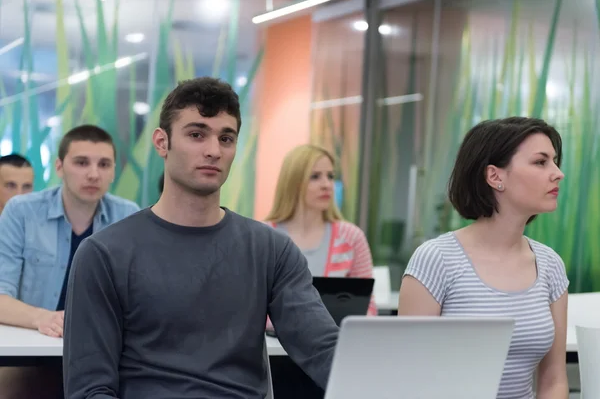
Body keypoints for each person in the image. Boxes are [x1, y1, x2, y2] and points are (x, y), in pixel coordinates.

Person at [62, 77, 339, 399]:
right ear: (162, 143)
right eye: (196, 134)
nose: (213, 151)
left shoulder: (271, 250)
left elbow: (322, 349)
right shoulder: (104, 253)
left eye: (226, 138)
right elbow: (89, 388)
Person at [398, 117, 569, 398]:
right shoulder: (436, 259)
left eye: (554, 161)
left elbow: (554, 381)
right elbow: (409, 379)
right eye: (541, 162)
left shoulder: (550, 264)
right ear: (495, 176)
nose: (557, 173)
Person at [0, 125, 140, 398]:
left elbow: (138, 300)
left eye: (104, 164)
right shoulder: (22, 212)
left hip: (105, 357)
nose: (93, 173)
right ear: (60, 167)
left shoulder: (128, 216)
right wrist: (44, 318)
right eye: (81, 162)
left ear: (113, 171)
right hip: (33, 355)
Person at [265, 144, 377, 316]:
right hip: (273, 341)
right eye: (315, 177)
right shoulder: (263, 237)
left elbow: (368, 307)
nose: (327, 185)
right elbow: (247, 305)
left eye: (331, 176)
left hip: (336, 341)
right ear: (293, 182)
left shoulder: (352, 237)